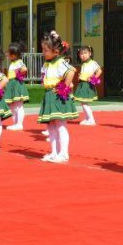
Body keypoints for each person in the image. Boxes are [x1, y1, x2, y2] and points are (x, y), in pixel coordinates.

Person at [38, 31, 78, 162]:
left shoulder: (60, 62)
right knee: (50, 126)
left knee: (61, 125)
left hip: (58, 95)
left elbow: (71, 71)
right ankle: (54, 152)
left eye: (45, 50)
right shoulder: (46, 64)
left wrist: (64, 88)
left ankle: (64, 153)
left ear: (55, 51)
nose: (43, 52)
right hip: (49, 95)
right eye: (42, 49)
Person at [5, 42, 30, 131]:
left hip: (16, 84)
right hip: (11, 84)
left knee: (18, 105)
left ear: (14, 55)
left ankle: (19, 124)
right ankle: (16, 123)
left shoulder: (18, 62)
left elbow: (24, 69)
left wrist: (19, 74)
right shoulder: (13, 63)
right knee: (12, 106)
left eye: (9, 52)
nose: (7, 54)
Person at [73, 46, 102, 125]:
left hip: (87, 85)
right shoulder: (83, 64)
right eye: (81, 54)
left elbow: (99, 71)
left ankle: (91, 119)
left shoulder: (93, 62)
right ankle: (87, 118)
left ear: (90, 53)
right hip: (82, 84)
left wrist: (93, 78)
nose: (83, 55)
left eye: (85, 53)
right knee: (83, 103)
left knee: (85, 103)